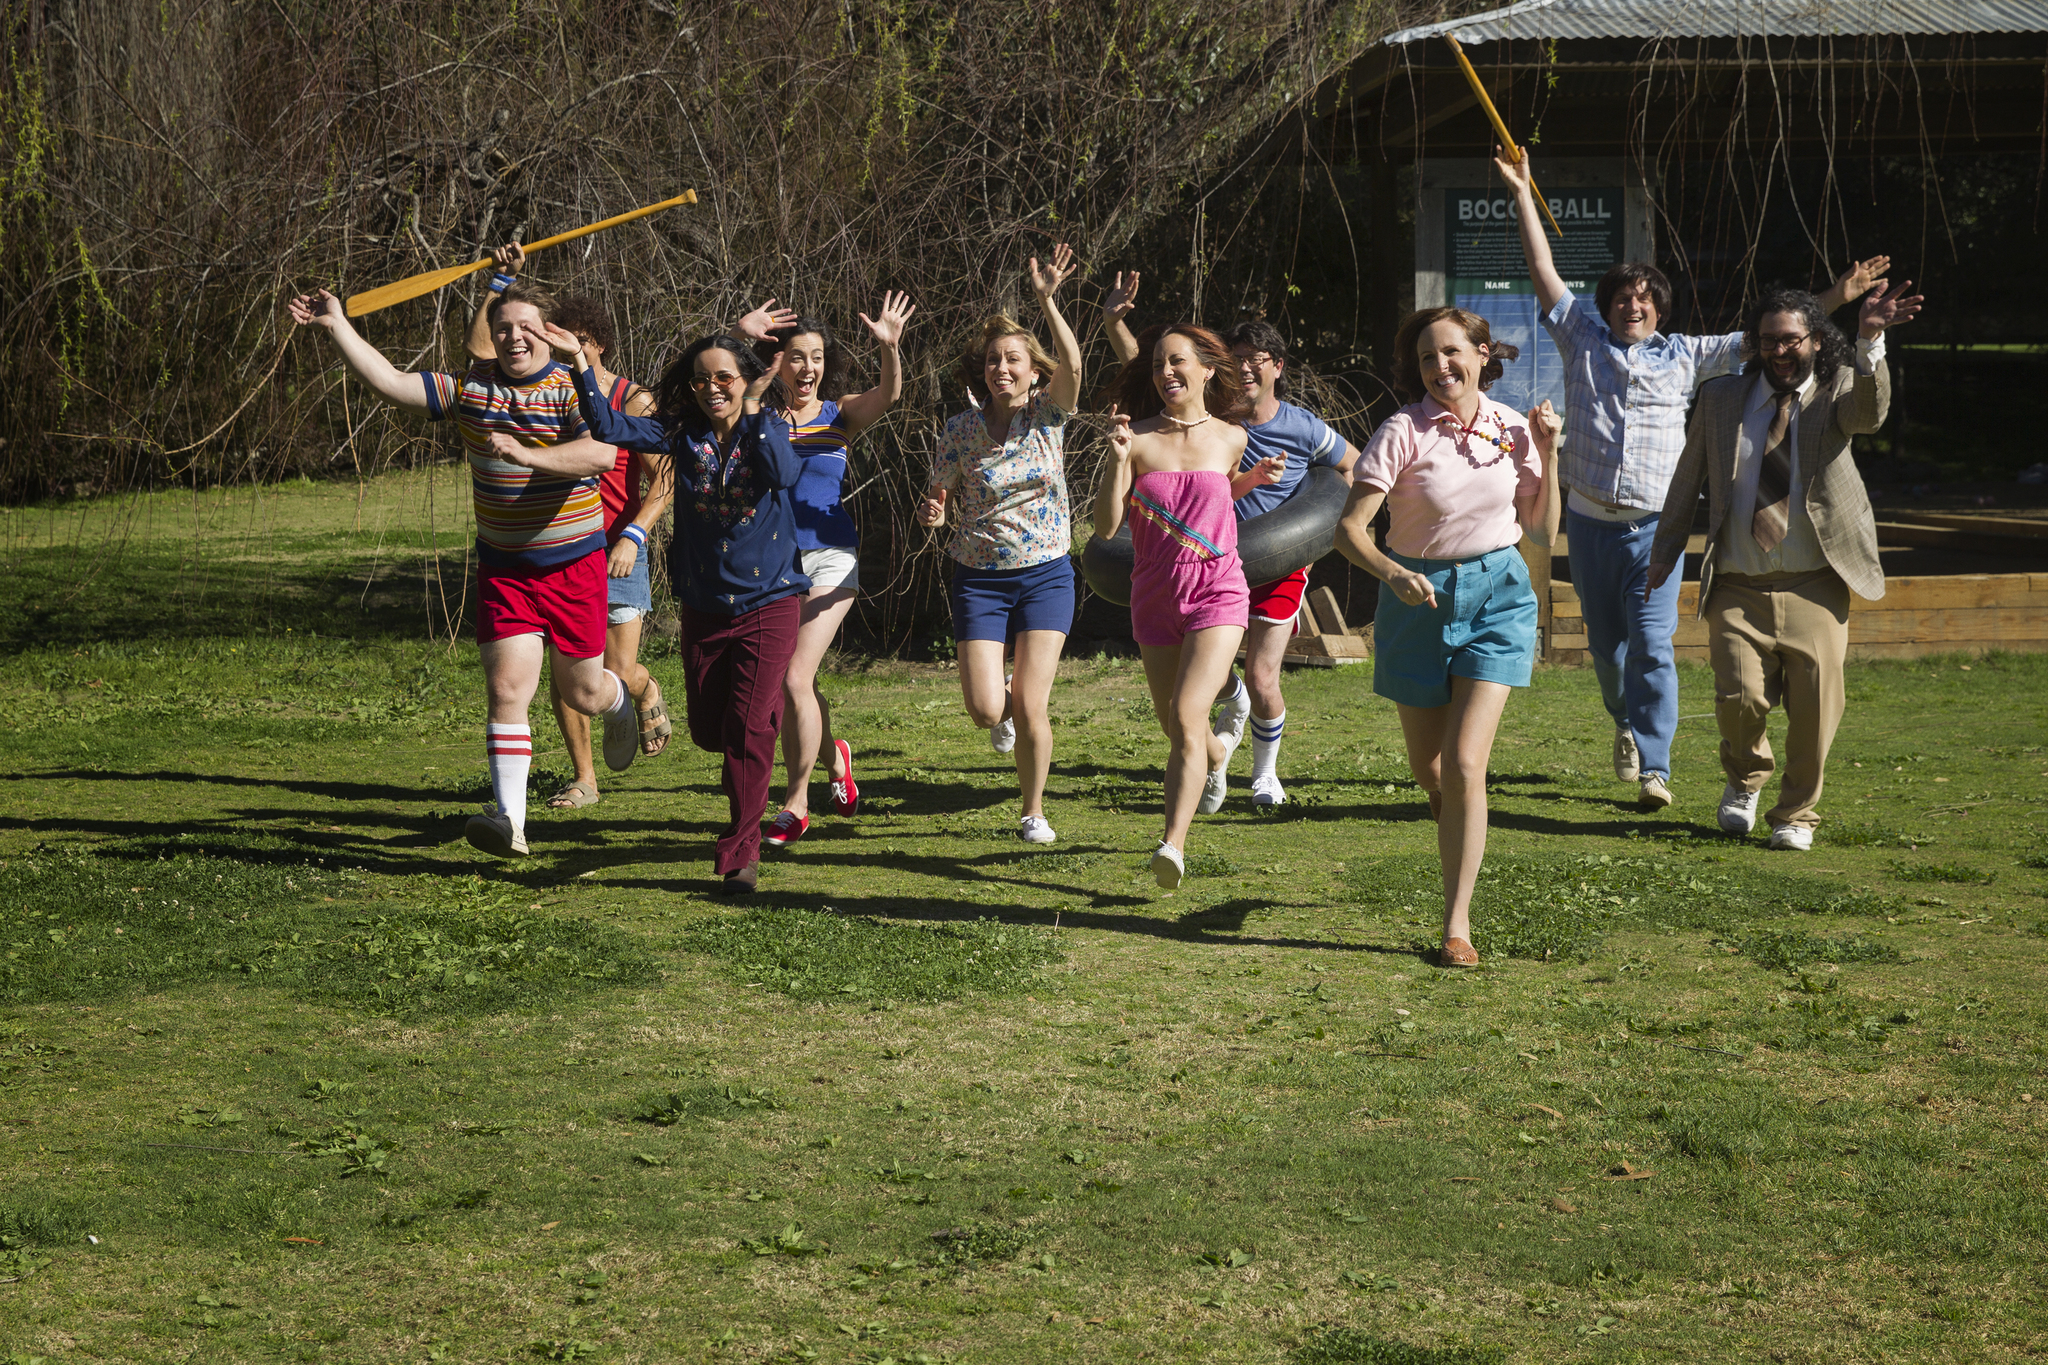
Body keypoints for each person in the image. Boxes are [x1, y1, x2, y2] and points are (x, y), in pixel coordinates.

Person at [1492, 148, 1887, 812]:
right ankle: (1623, 717)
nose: (1632, 306)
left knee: (1651, 643)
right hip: (1590, 525)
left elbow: (1776, 339)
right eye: (1622, 297)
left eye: (1644, 298)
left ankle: (1655, 766)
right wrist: (1523, 192)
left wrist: (1834, 301)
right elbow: (1541, 268)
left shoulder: (1688, 356)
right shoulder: (1581, 340)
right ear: (1607, 308)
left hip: (1654, 530)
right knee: (1609, 650)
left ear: (1661, 310)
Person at [288, 283, 637, 861]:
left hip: (574, 566)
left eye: (525, 326)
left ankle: (619, 699)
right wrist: (338, 326)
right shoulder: (474, 390)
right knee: (506, 690)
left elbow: (600, 455)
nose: (513, 337)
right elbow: (393, 382)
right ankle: (511, 823)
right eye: (502, 328)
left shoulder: (575, 387)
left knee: (582, 690)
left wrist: (527, 455)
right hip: (507, 570)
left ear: (549, 332)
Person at [1647, 281, 1919, 850]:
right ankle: (1745, 780)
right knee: (1739, 698)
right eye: (1768, 340)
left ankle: (1796, 814)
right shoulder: (1722, 398)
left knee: (1817, 707)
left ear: (1816, 341)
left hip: (1814, 580)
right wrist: (1664, 553)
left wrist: (1870, 339)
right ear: (1756, 343)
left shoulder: (1837, 391)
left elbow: (1869, 416)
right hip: (1739, 583)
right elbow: (1687, 479)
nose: (1779, 351)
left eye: (1791, 339)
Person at [541, 323, 804, 893]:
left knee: (746, 728)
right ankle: (762, 720)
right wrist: (580, 366)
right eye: (702, 379)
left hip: (769, 599)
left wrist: (757, 405)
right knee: (712, 730)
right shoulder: (681, 435)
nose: (713, 388)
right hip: (706, 602)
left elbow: (783, 474)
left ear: (745, 381)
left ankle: (741, 852)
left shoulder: (769, 427)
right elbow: (609, 426)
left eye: (725, 378)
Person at [1335, 307, 1560, 969]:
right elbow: (1350, 532)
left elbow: (1540, 527)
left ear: (1483, 354)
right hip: (1416, 597)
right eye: (1428, 358)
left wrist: (1550, 452)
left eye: (1453, 353)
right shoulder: (1402, 430)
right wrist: (1394, 574)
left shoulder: (1512, 427)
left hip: (1499, 595)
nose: (1440, 367)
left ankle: (1456, 925)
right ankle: (1452, 808)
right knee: (1431, 769)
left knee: (1466, 763)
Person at [1104, 282, 1361, 806]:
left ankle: (1263, 774)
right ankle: (1219, 745)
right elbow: (1161, 372)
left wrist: (1346, 522)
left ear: (1277, 366)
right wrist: (1115, 327)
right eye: (1237, 359)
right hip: (1191, 565)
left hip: (1273, 557)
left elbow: (1353, 465)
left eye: (1256, 360)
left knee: (1262, 674)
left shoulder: (1301, 428)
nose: (1245, 369)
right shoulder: (1221, 420)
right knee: (1187, 705)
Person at [1094, 324, 1280, 888]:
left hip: (1217, 587)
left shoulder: (1232, 436)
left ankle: (1172, 844)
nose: (1166, 373)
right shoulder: (1138, 438)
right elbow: (1105, 526)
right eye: (1157, 366)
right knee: (1181, 732)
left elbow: (1212, 500)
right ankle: (1220, 752)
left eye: (1177, 362)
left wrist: (1251, 480)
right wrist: (1116, 460)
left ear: (1205, 370)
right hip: (1153, 591)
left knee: (1184, 714)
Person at [918, 244, 1085, 845]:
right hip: (979, 577)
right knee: (990, 710)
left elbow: (1075, 364)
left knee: (1031, 705)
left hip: (1046, 574)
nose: (1002, 369)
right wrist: (934, 510)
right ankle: (1004, 708)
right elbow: (938, 493)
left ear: (1033, 371)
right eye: (993, 361)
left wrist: (1047, 300)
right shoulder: (960, 429)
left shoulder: (1048, 414)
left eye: (1014, 360)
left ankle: (1033, 811)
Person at [759, 293, 918, 849]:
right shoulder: (757, 417)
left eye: (817, 357)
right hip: (774, 562)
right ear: (777, 362)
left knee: (792, 679)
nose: (808, 368)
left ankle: (796, 805)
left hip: (830, 558)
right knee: (798, 681)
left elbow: (890, 395)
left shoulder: (839, 413)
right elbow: (712, 385)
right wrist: (740, 335)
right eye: (797, 356)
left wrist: (889, 348)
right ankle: (835, 755)